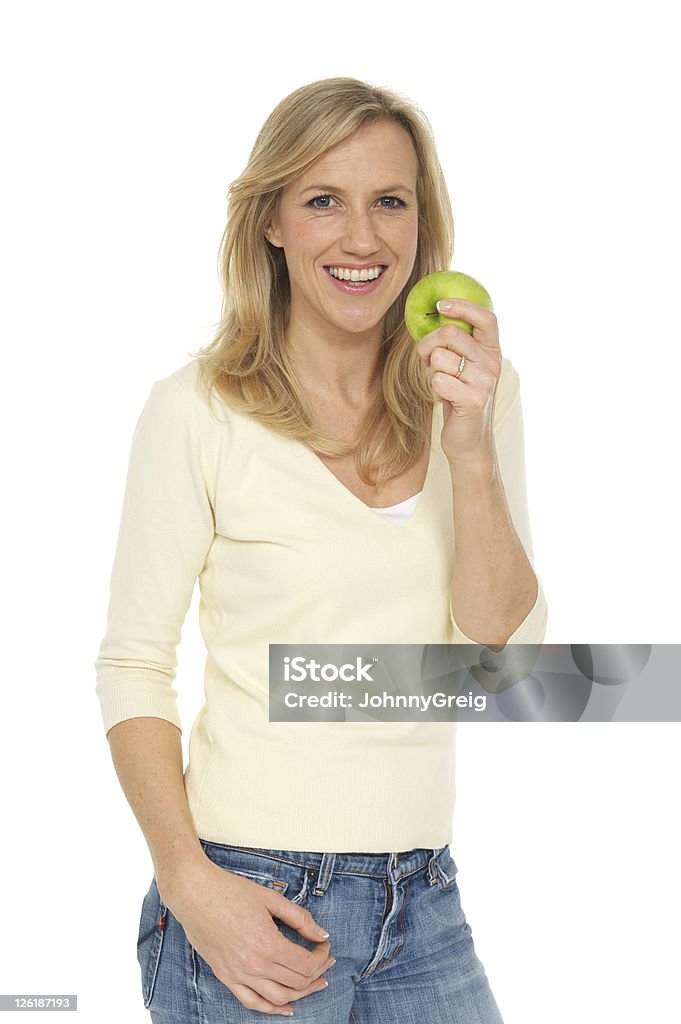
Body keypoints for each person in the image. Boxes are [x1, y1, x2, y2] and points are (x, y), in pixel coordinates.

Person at [94, 77, 548, 1023]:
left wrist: (466, 453)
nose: (362, 238)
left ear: (424, 224)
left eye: (390, 201)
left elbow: (504, 653)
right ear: (271, 223)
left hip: (424, 898)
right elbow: (134, 664)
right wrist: (187, 883)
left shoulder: (477, 394)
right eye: (322, 201)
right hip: (251, 892)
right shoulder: (197, 411)